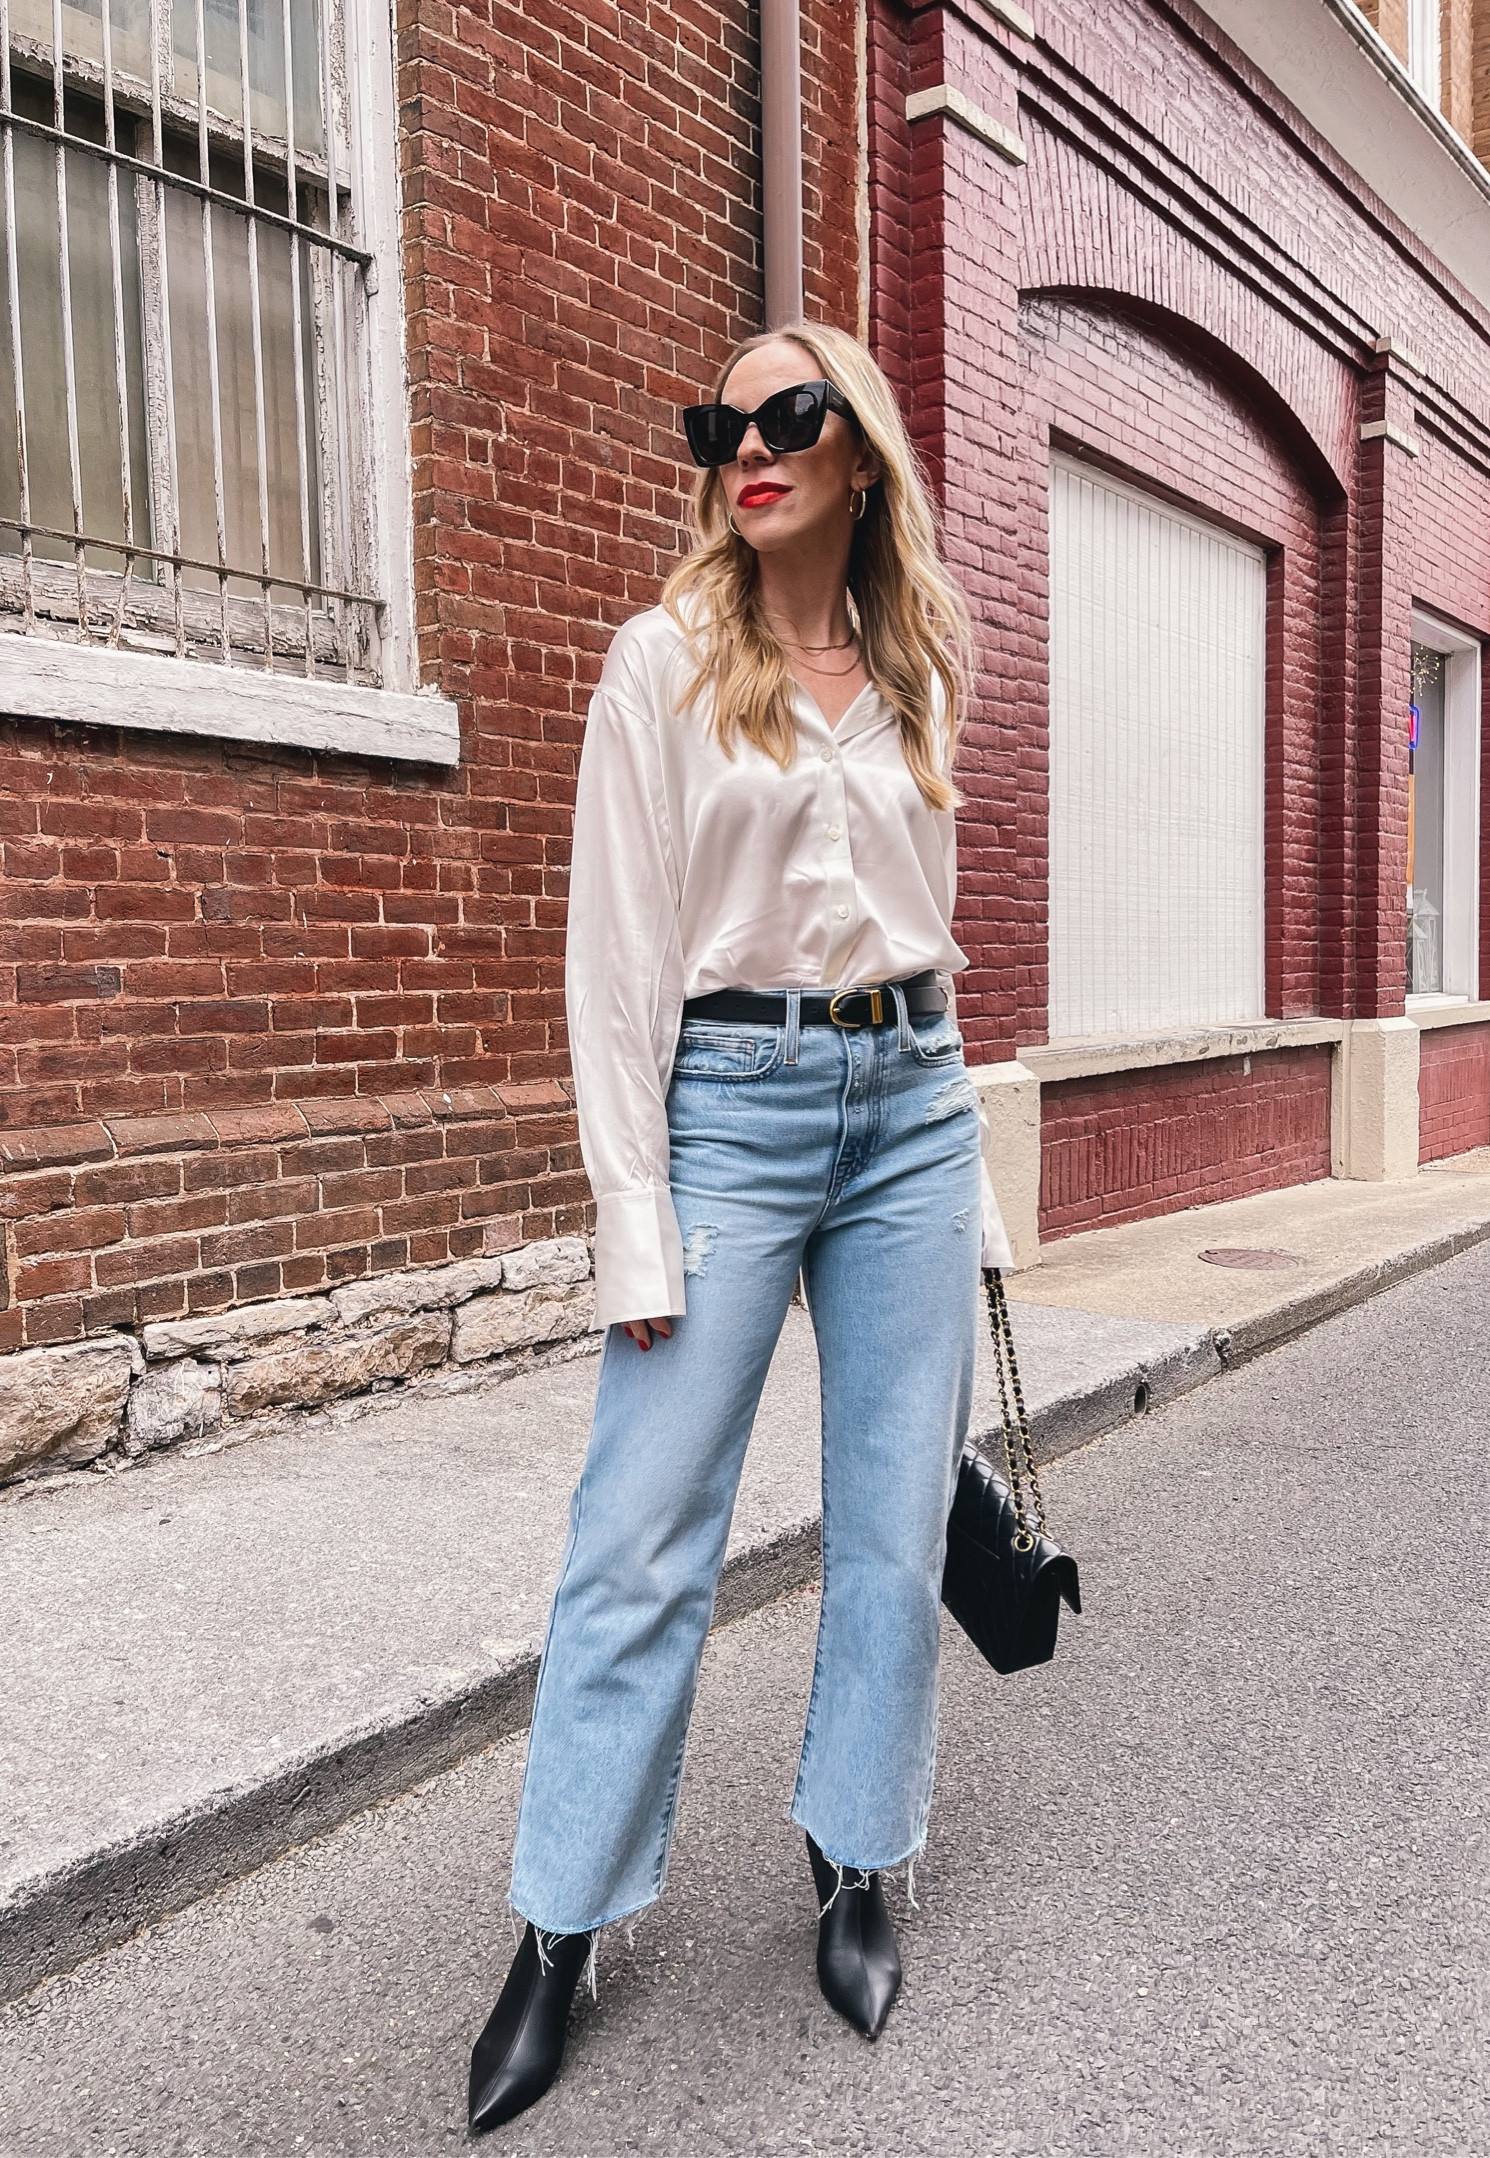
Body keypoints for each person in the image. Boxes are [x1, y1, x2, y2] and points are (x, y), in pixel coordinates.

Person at [466, 320, 1012, 2134]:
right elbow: (613, 964)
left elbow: (940, 954)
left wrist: (977, 1202)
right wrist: (636, 1220)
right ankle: (560, 1923)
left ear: (858, 454)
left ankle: (858, 1855)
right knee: (637, 1535)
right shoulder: (660, 666)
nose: (749, 447)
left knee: (886, 1526)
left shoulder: (919, 669)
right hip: (732, 1116)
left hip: (914, 1118)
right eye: (723, 422)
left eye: (792, 416)